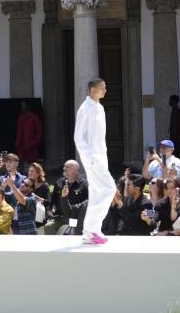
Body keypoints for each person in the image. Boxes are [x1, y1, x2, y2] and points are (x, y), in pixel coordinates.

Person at [73, 78, 115, 245]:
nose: (105, 90)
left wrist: (101, 156)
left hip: (100, 156)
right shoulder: (85, 109)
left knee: (98, 192)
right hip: (92, 158)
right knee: (109, 188)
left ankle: (91, 232)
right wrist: (90, 158)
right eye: (102, 88)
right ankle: (90, 229)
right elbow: (79, 137)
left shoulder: (100, 107)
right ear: (93, 90)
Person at [14, 101, 42, 168]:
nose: (22, 107)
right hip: (22, 144)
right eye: (22, 106)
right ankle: (21, 176)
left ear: (27, 106)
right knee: (20, 161)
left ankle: (34, 176)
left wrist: (35, 141)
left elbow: (38, 131)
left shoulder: (33, 117)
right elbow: (19, 131)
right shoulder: (20, 117)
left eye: (24, 105)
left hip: (31, 144)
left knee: (32, 162)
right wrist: (17, 142)